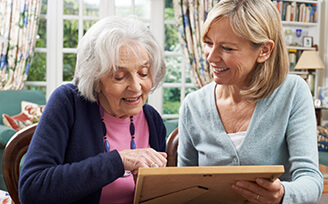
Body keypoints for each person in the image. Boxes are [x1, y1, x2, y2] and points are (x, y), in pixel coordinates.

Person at [177, 0, 323, 203]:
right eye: (209, 43)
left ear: (264, 50)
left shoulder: (293, 92)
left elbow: (311, 180)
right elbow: (183, 187)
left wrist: (282, 194)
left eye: (227, 48)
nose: (211, 57)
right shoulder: (192, 105)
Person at [19, 16, 167, 204]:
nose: (136, 87)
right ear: (96, 81)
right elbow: (32, 189)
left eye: (143, 73)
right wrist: (118, 161)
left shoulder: (152, 120)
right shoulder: (68, 103)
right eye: (120, 77)